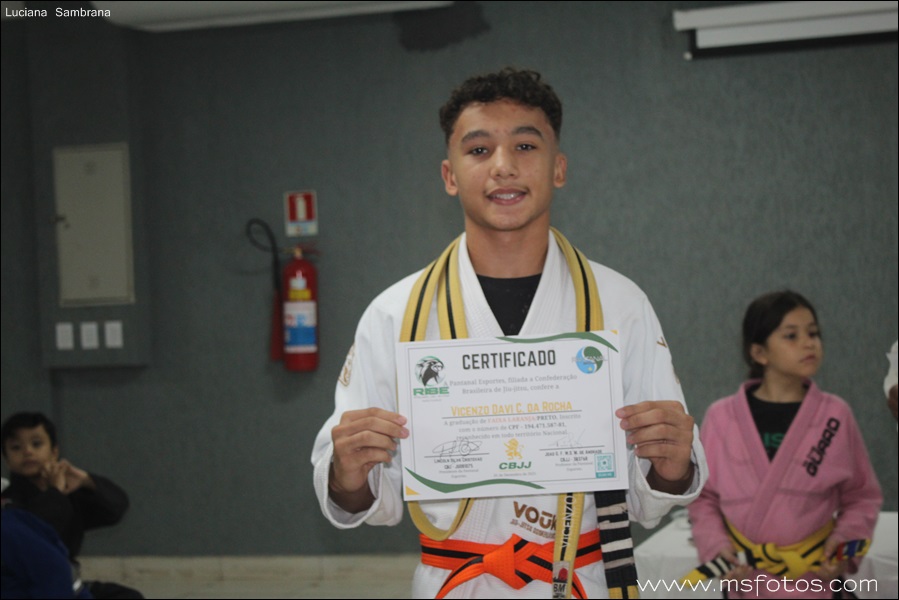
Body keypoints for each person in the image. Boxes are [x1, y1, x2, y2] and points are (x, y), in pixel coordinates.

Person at [311, 67, 707, 598]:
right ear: (450, 175)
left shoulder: (620, 304)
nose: (503, 166)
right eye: (478, 150)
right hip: (455, 582)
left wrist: (673, 464)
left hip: (577, 578)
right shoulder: (395, 313)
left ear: (558, 168)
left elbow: (655, 492)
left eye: (525, 145)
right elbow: (358, 499)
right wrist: (347, 472)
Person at [687, 291, 882, 598]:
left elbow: (861, 496)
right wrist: (717, 548)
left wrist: (843, 547)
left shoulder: (834, 415)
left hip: (816, 579)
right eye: (791, 335)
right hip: (747, 579)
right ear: (759, 353)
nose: (809, 343)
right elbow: (703, 497)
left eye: (813, 333)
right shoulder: (722, 417)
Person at [1, 412, 141, 599]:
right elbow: (36, 531)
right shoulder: (7, 501)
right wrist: (55, 492)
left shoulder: (68, 492)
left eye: (36, 444)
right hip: (25, 587)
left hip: (68, 583)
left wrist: (87, 481)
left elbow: (115, 509)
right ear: (6, 459)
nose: (27, 452)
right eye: (16, 447)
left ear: (54, 452)